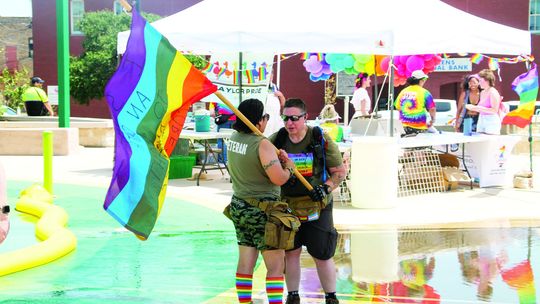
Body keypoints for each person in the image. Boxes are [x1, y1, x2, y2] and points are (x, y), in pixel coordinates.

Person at [269, 98, 347, 304]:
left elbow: (340, 172)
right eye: (286, 118)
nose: (289, 123)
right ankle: (293, 296)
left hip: (318, 207)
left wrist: (325, 188)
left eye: (295, 118)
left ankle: (331, 297)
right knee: (291, 254)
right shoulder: (276, 141)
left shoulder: (320, 138)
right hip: (287, 207)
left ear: (306, 117)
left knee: (322, 254)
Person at [227, 98, 296, 304]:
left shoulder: (235, 139)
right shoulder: (262, 144)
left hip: (239, 207)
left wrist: (277, 160)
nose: (266, 121)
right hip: (263, 211)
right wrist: (289, 167)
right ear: (257, 121)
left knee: (246, 262)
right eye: (265, 117)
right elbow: (279, 178)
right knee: (275, 266)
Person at [394, 70, 436, 136]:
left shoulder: (403, 91)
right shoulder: (425, 93)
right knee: (421, 145)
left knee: (406, 145)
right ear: (421, 81)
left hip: (403, 127)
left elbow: (398, 107)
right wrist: (432, 120)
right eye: (424, 79)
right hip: (419, 127)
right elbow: (432, 109)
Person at [465, 69, 502, 135]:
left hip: (491, 120)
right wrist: (473, 108)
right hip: (482, 118)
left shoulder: (493, 92)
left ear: (487, 80)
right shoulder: (482, 92)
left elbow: (494, 110)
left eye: (480, 80)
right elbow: (481, 108)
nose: (479, 83)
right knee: (480, 141)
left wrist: (475, 108)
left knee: (490, 142)